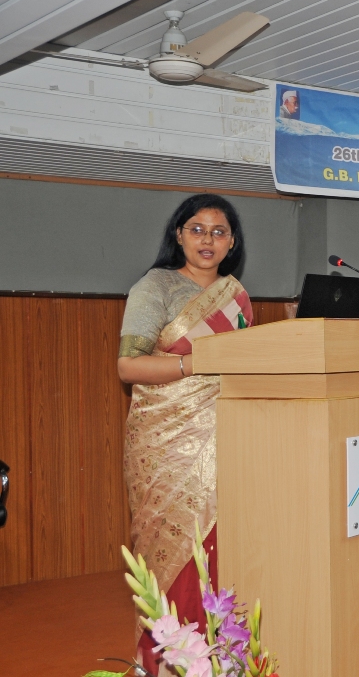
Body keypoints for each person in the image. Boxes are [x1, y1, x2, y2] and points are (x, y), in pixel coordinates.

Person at [118, 194, 252, 674]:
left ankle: (222, 658)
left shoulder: (236, 294)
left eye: (219, 231)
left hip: (228, 431)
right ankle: (167, 663)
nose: (207, 239)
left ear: (232, 242)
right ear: (179, 235)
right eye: (197, 229)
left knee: (224, 547)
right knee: (173, 550)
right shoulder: (154, 286)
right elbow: (128, 366)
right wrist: (197, 364)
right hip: (166, 442)